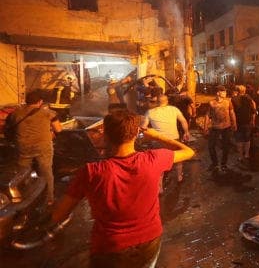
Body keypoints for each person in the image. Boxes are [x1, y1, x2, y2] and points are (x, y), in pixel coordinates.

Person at [50, 110, 195, 267]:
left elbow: (59, 215)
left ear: (106, 135)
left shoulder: (91, 172)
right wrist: (156, 136)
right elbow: (189, 152)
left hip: (110, 247)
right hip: (149, 240)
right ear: (136, 133)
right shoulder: (153, 159)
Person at [8, 89, 62, 205]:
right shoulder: (48, 113)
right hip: (43, 147)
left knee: (23, 173)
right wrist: (51, 134)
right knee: (46, 172)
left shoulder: (15, 114)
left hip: (23, 147)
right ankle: (49, 199)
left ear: (26, 101)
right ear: (40, 101)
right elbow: (58, 129)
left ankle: (27, 198)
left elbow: (10, 128)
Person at [141, 94, 190, 183]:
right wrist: (186, 132)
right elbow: (183, 121)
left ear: (157, 102)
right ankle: (179, 177)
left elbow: (144, 127)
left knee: (159, 162)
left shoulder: (149, 112)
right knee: (178, 158)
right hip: (173, 139)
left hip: (158, 140)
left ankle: (160, 185)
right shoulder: (174, 109)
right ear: (167, 101)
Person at [203, 85, 237, 171]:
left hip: (226, 127)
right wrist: (205, 127)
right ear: (218, 93)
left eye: (225, 91)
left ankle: (223, 164)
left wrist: (234, 124)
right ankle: (215, 163)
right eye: (223, 91)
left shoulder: (228, 102)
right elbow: (207, 115)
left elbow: (232, 113)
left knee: (226, 146)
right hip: (215, 127)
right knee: (211, 146)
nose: (225, 93)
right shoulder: (211, 103)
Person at [231, 84, 256, 164]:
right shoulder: (249, 99)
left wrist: (232, 123)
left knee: (239, 140)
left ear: (237, 91)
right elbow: (253, 111)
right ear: (244, 91)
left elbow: (231, 112)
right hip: (247, 122)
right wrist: (253, 121)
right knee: (247, 139)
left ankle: (240, 156)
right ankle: (247, 154)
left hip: (238, 122)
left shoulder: (233, 99)